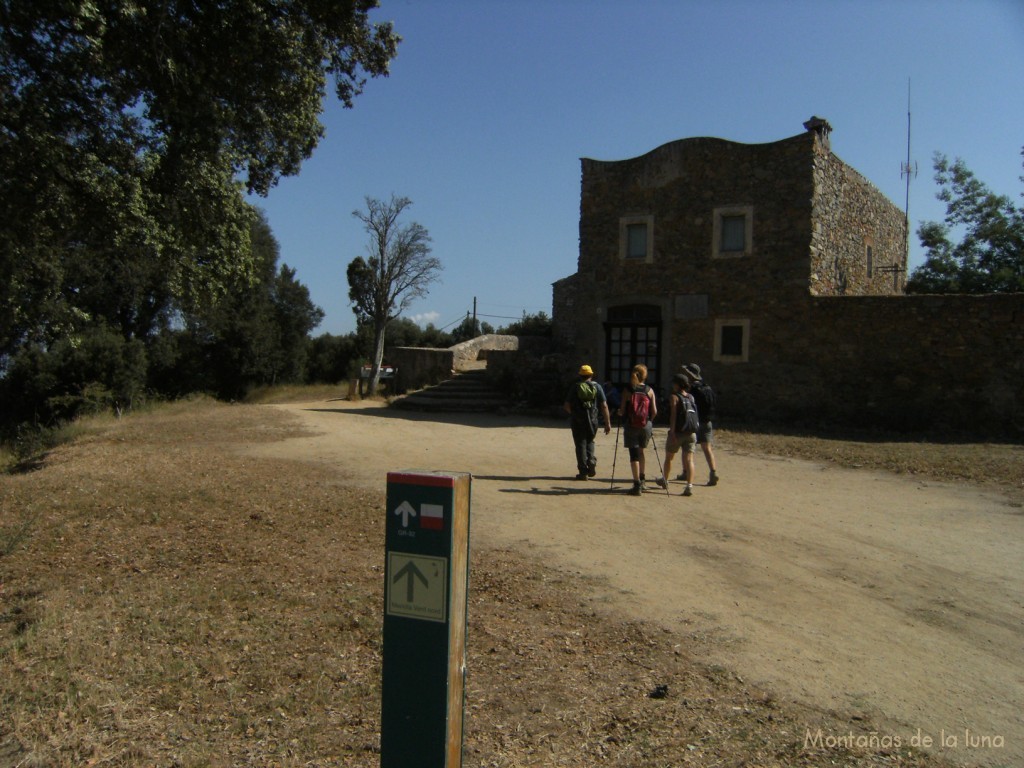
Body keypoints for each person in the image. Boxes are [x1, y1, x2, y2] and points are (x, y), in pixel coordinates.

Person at [563, 364, 611, 480]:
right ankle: (591, 460)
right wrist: (607, 423)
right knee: (590, 441)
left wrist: (574, 414)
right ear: (591, 375)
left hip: (578, 420)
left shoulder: (575, 387)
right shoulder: (597, 387)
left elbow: (566, 405)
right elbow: (604, 406)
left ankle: (583, 472)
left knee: (580, 445)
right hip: (593, 420)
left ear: (580, 375)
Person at [618, 364, 657, 495]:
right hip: (645, 425)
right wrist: (649, 421)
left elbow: (622, 411)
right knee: (641, 452)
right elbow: (655, 411)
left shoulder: (628, 390)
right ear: (645, 375)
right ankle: (643, 479)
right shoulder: (649, 390)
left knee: (633, 454)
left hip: (631, 425)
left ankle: (636, 485)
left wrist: (619, 413)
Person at [656, 373, 697, 496]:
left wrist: (672, 431)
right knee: (689, 459)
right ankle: (689, 485)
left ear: (677, 384)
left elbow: (673, 415)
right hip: (691, 432)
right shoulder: (690, 397)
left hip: (678, 432)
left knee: (669, 457)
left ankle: (665, 480)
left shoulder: (674, 397)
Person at [679, 363, 719, 486]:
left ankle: (686, 472)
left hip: (694, 422)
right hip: (707, 421)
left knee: (687, 448)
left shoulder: (691, 389)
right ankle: (713, 472)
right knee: (707, 448)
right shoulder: (707, 387)